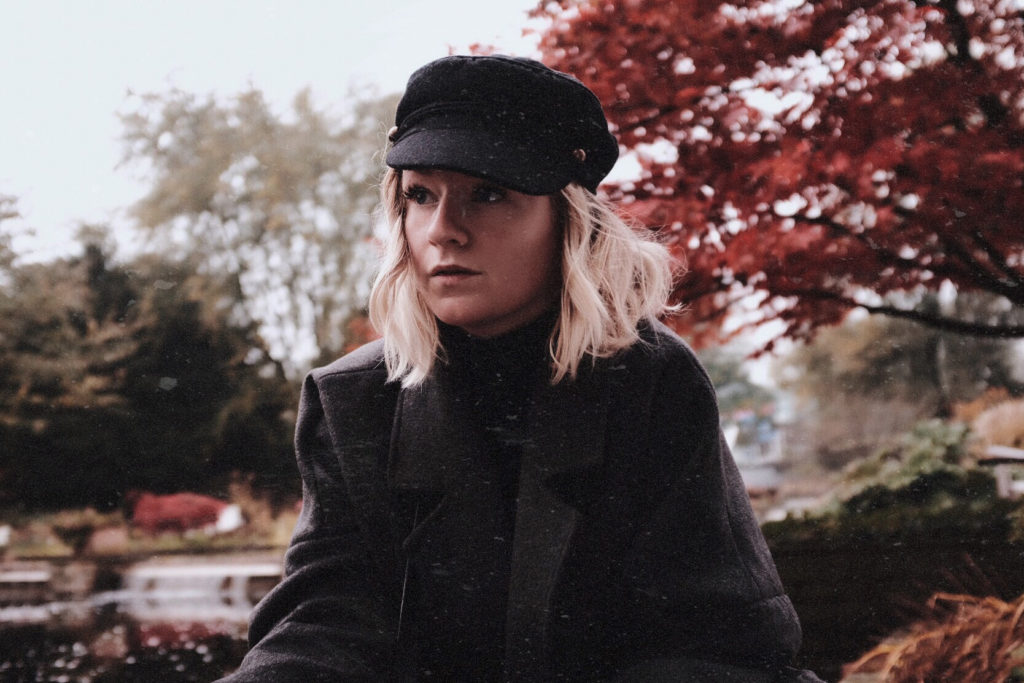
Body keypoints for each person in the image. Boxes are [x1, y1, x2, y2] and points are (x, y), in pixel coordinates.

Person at [219, 55, 822, 682]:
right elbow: (325, 623)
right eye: (420, 195)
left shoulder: (651, 381)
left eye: (488, 194)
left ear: (569, 221)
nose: (443, 231)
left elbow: (717, 643)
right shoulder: (353, 400)